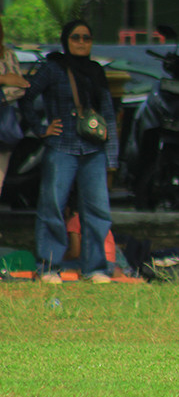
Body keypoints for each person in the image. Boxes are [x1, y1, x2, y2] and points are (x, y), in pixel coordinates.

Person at [18, 19, 118, 284]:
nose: (82, 42)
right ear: (65, 40)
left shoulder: (96, 70)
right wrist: (41, 128)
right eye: (76, 37)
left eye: (87, 38)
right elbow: (26, 95)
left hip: (93, 148)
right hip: (62, 146)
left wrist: (112, 157)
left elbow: (108, 113)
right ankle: (48, 267)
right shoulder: (53, 68)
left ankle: (95, 268)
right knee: (52, 207)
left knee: (97, 211)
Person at [0, 16, 31, 200]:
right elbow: (11, 82)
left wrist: (4, 94)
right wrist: (4, 79)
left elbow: (20, 87)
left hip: (3, 125)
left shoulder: (8, 54)